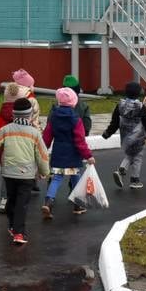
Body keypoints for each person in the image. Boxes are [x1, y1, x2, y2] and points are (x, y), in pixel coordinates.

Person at [0, 93, 49, 244]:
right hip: (26, 175)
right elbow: (42, 155)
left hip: (9, 173)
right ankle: (19, 233)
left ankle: (13, 226)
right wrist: (44, 171)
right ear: (30, 116)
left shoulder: (6, 130)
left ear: (13, 114)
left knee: (12, 201)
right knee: (21, 204)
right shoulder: (34, 133)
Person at [39, 87, 94, 219]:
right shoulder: (76, 119)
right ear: (74, 102)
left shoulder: (53, 117)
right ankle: (77, 205)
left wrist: (42, 151)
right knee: (75, 177)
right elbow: (80, 140)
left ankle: (48, 202)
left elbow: (47, 137)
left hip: (58, 154)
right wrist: (88, 155)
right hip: (72, 156)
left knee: (56, 178)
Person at [102, 80, 146, 191]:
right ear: (138, 93)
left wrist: (108, 133)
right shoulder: (140, 106)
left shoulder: (120, 105)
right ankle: (134, 180)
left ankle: (122, 170)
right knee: (137, 157)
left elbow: (114, 122)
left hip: (125, 137)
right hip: (138, 136)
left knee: (130, 154)